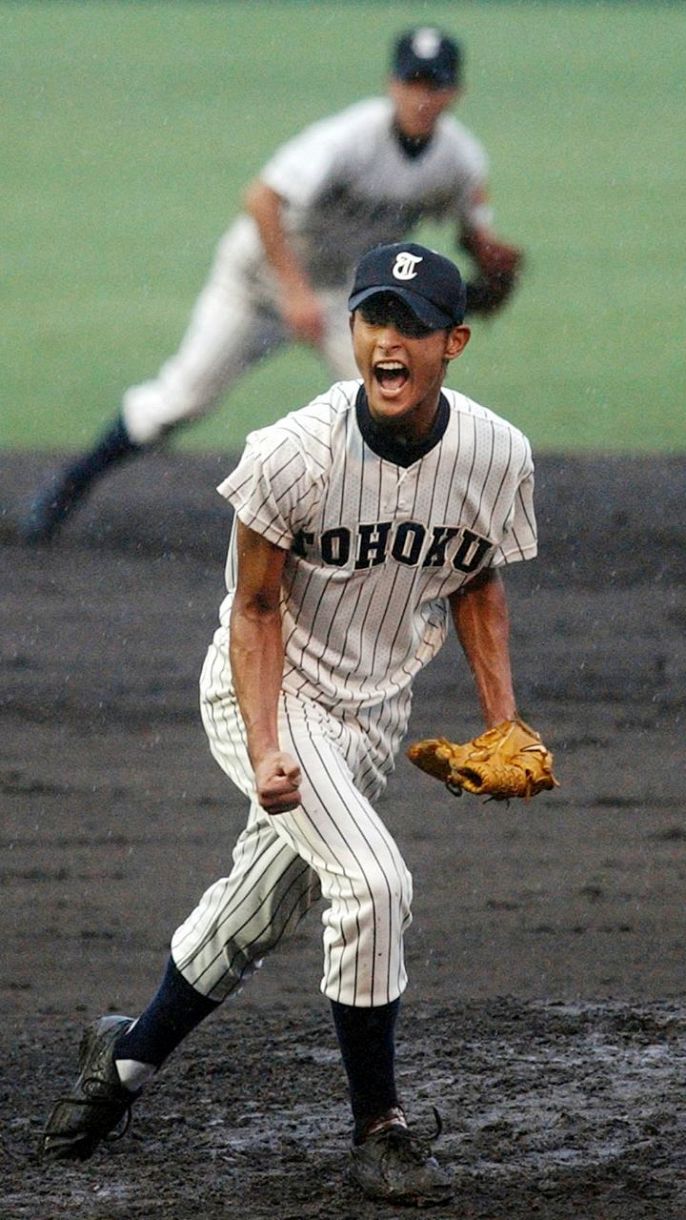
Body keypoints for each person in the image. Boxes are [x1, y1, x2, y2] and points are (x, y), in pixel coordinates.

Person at [40, 241, 545, 1206]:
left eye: (411, 326)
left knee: (265, 904)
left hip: (368, 715)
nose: (387, 341)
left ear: (455, 342)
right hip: (262, 692)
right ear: (354, 331)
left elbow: (477, 578)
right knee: (374, 880)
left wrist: (502, 720)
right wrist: (270, 746)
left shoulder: (495, 454)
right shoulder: (291, 454)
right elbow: (256, 611)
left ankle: (125, 1062)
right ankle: (380, 1133)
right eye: (372, 320)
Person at [22, 26, 523, 544]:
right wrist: (293, 291)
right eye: (412, 81)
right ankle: (68, 486)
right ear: (391, 84)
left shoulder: (460, 160)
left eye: (433, 84)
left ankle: (400, 533)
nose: (422, 95)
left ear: (454, 92)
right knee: (179, 400)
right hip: (256, 280)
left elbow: (472, 229)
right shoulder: (349, 139)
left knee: (394, 400)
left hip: (344, 296)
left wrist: (486, 255)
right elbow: (262, 198)